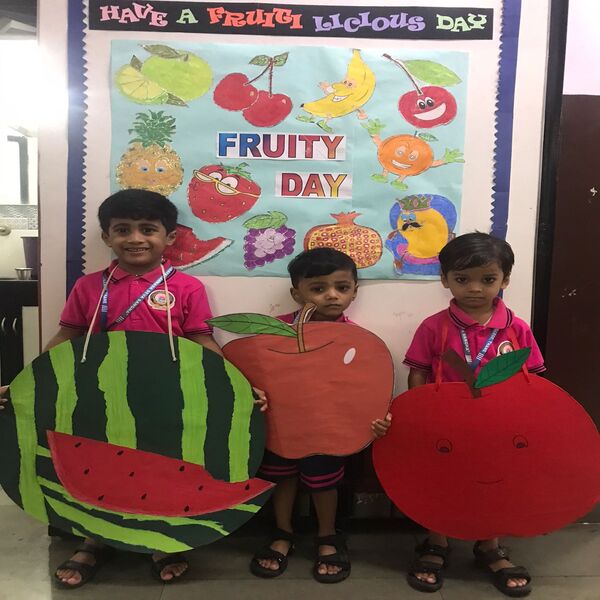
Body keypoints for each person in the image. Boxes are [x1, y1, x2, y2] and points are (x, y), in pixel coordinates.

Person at [0, 189, 263, 589]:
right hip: (98, 394)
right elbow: (67, 337)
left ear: (169, 237)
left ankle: (161, 541)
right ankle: (91, 540)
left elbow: (202, 341)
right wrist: (27, 382)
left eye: (147, 229)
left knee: (161, 460)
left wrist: (238, 387)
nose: (135, 238)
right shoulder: (89, 286)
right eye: (122, 229)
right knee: (100, 462)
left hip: (168, 396)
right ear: (106, 237)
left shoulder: (186, 288)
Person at [403, 232, 544, 597]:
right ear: (445, 279)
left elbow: (534, 379)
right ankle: (437, 542)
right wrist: (421, 414)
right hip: (446, 426)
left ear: (505, 280)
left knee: (495, 482)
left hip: (499, 427)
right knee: (442, 483)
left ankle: (490, 546)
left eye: (488, 279)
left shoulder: (517, 328)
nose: (475, 288)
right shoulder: (434, 326)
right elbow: (418, 372)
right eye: (462, 279)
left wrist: (529, 421)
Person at [249, 247, 391, 584]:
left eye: (342, 287)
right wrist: (253, 392)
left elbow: (367, 386)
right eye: (318, 288)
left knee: (324, 480)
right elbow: (258, 371)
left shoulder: (360, 340)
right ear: (297, 293)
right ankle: (282, 532)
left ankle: (327, 535)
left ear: (354, 291)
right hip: (281, 424)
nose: (331, 295)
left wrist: (376, 419)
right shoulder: (274, 332)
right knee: (280, 477)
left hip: (329, 427)